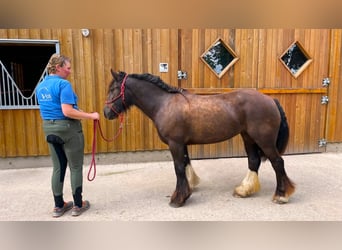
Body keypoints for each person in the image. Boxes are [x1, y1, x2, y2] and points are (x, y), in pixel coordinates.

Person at [36, 53, 100, 217]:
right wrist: (91, 116)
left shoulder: (41, 86)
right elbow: (67, 111)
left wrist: (82, 112)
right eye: (68, 68)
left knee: (58, 167)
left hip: (49, 129)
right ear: (58, 67)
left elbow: (52, 108)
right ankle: (78, 205)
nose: (70, 71)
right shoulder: (63, 84)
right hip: (68, 129)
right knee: (76, 167)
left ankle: (58, 206)